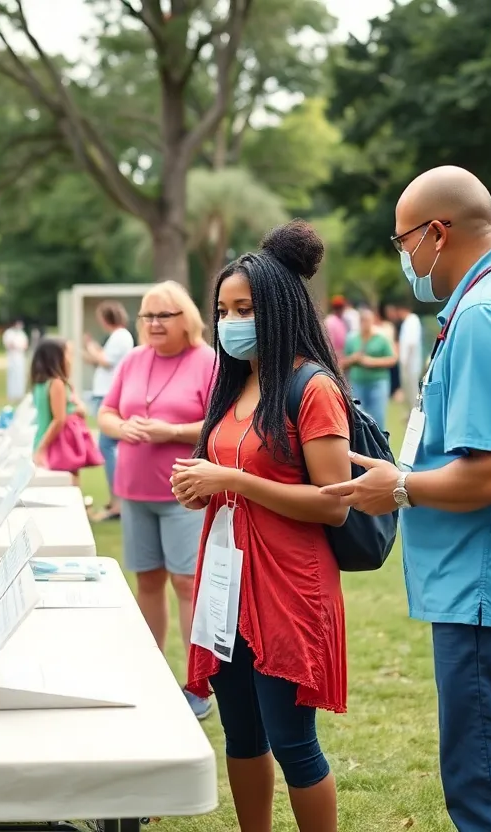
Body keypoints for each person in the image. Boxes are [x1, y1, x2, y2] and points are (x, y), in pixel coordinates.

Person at [323, 166, 491, 832]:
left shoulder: (490, 315)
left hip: (489, 597)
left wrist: (398, 486)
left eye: (403, 242)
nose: (404, 258)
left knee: (489, 794)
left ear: (437, 233)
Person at [172, 220, 350, 832]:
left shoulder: (311, 387)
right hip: (227, 581)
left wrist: (235, 482)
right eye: (222, 309)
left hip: (287, 589)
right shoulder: (234, 382)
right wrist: (201, 485)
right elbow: (228, 471)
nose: (230, 321)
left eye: (243, 308)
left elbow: (335, 502)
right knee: (242, 736)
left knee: (293, 743)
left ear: (276, 308)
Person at [97, 281, 217, 719]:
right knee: (147, 581)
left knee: (186, 583)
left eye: (163, 315)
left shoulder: (206, 361)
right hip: (134, 490)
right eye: (147, 316)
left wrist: (173, 432)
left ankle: (198, 683)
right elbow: (106, 413)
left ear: (185, 319)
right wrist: (120, 427)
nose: (153, 323)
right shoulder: (132, 359)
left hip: (184, 490)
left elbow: (220, 423)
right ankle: (153, 674)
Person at [84, 301, 135, 521]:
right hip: (105, 393)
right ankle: (117, 499)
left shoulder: (120, 336)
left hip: (109, 395)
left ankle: (119, 502)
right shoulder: (119, 337)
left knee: (108, 446)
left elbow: (105, 362)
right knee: (109, 446)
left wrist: (91, 347)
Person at [31, 337, 97, 486]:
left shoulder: (41, 384)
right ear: (56, 358)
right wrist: (42, 449)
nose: (71, 358)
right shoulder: (56, 384)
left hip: (45, 441)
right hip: (57, 445)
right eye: (68, 353)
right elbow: (59, 419)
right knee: (70, 486)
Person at [342, 308, 396, 433]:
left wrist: (371, 362)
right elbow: (343, 362)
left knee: (378, 416)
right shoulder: (353, 339)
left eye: (367, 320)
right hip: (358, 382)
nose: (365, 323)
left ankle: (380, 447)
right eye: (362, 320)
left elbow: (392, 359)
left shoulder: (381, 338)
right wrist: (353, 359)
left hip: (378, 381)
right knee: (358, 416)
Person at [386, 300, 424, 408]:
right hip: (406, 363)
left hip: (410, 364)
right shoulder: (406, 322)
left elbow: (411, 343)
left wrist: (405, 360)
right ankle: (410, 412)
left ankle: (415, 412)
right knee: (408, 391)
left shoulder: (412, 320)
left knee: (413, 392)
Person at [3, 319, 30, 401]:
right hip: (12, 357)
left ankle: (20, 394)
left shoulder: (22, 334)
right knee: (12, 376)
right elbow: (9, 344)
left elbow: (25, 345)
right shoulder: (9, 333)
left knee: (20, 375)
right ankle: (12, 394)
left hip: (20, 357)